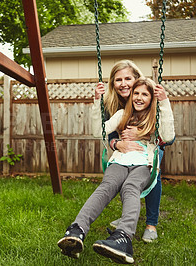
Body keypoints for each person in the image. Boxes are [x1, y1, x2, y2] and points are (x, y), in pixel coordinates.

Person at [57, 77, 175, 264]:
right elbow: (100, 132)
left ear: (152, 98)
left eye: (145, 94)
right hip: (120, 160)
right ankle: (77, 230)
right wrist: (97, 102)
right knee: (107, 186)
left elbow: (168, 137)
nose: (139, 97)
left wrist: (164, 102)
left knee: (130, 187)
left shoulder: (156, 117)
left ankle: (123, 238)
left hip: (144, 163)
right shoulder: (122, 114)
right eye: (136, 93)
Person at [97, 59, 173, 243]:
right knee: (123, 175)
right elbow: (109, 134)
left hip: (151, 146)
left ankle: (151, 224)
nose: (123, 84)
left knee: (152, 173)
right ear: (112, 83)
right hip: (126, 148)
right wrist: (117, 144)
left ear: (137, 79)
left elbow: (168, 137)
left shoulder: (149, 95)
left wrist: (142, 133)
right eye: (118, 80)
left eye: (128, 79)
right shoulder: (111, 104)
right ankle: (128, 217)